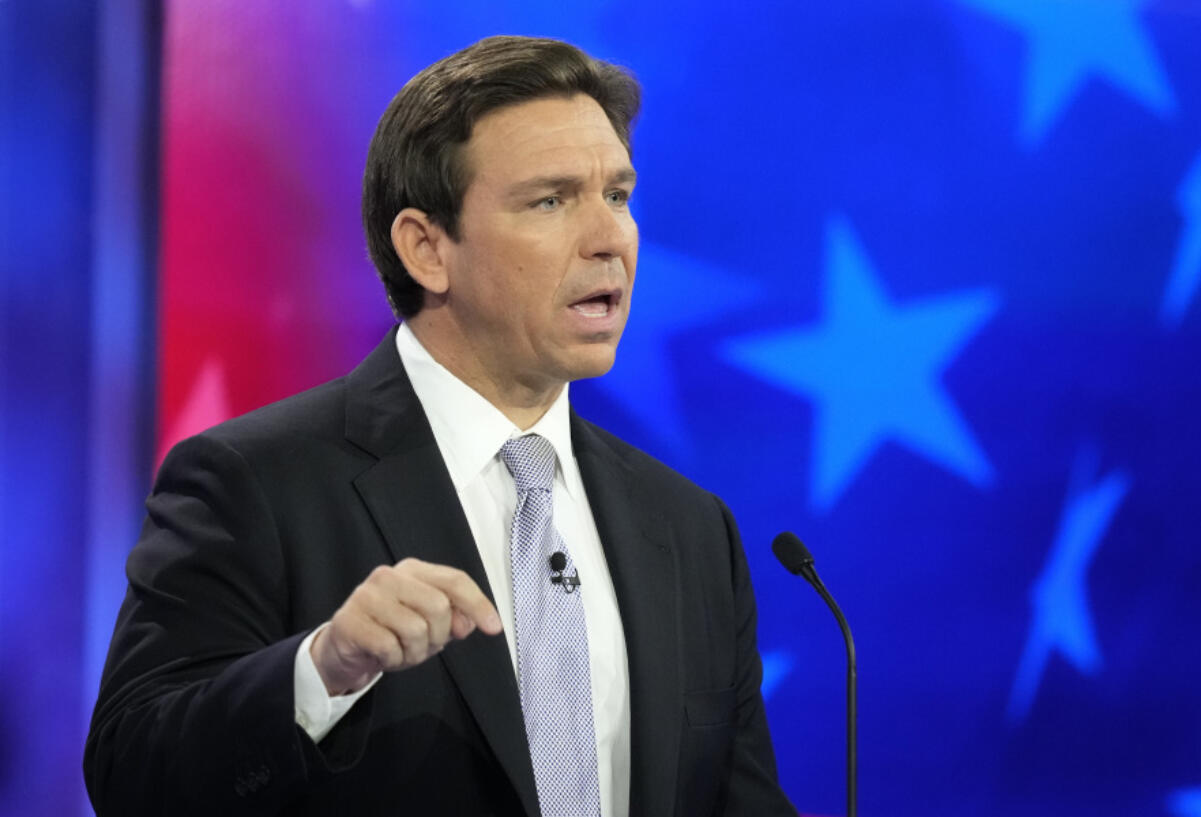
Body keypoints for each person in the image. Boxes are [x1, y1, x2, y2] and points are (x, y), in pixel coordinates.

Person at [85, 35, 797, 817]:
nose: (610, 239)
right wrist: (323, 667)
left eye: (619, 196)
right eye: (551, 200)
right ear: (427, 249)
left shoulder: (690, 529)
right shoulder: (253, 482)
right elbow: (132, 773)